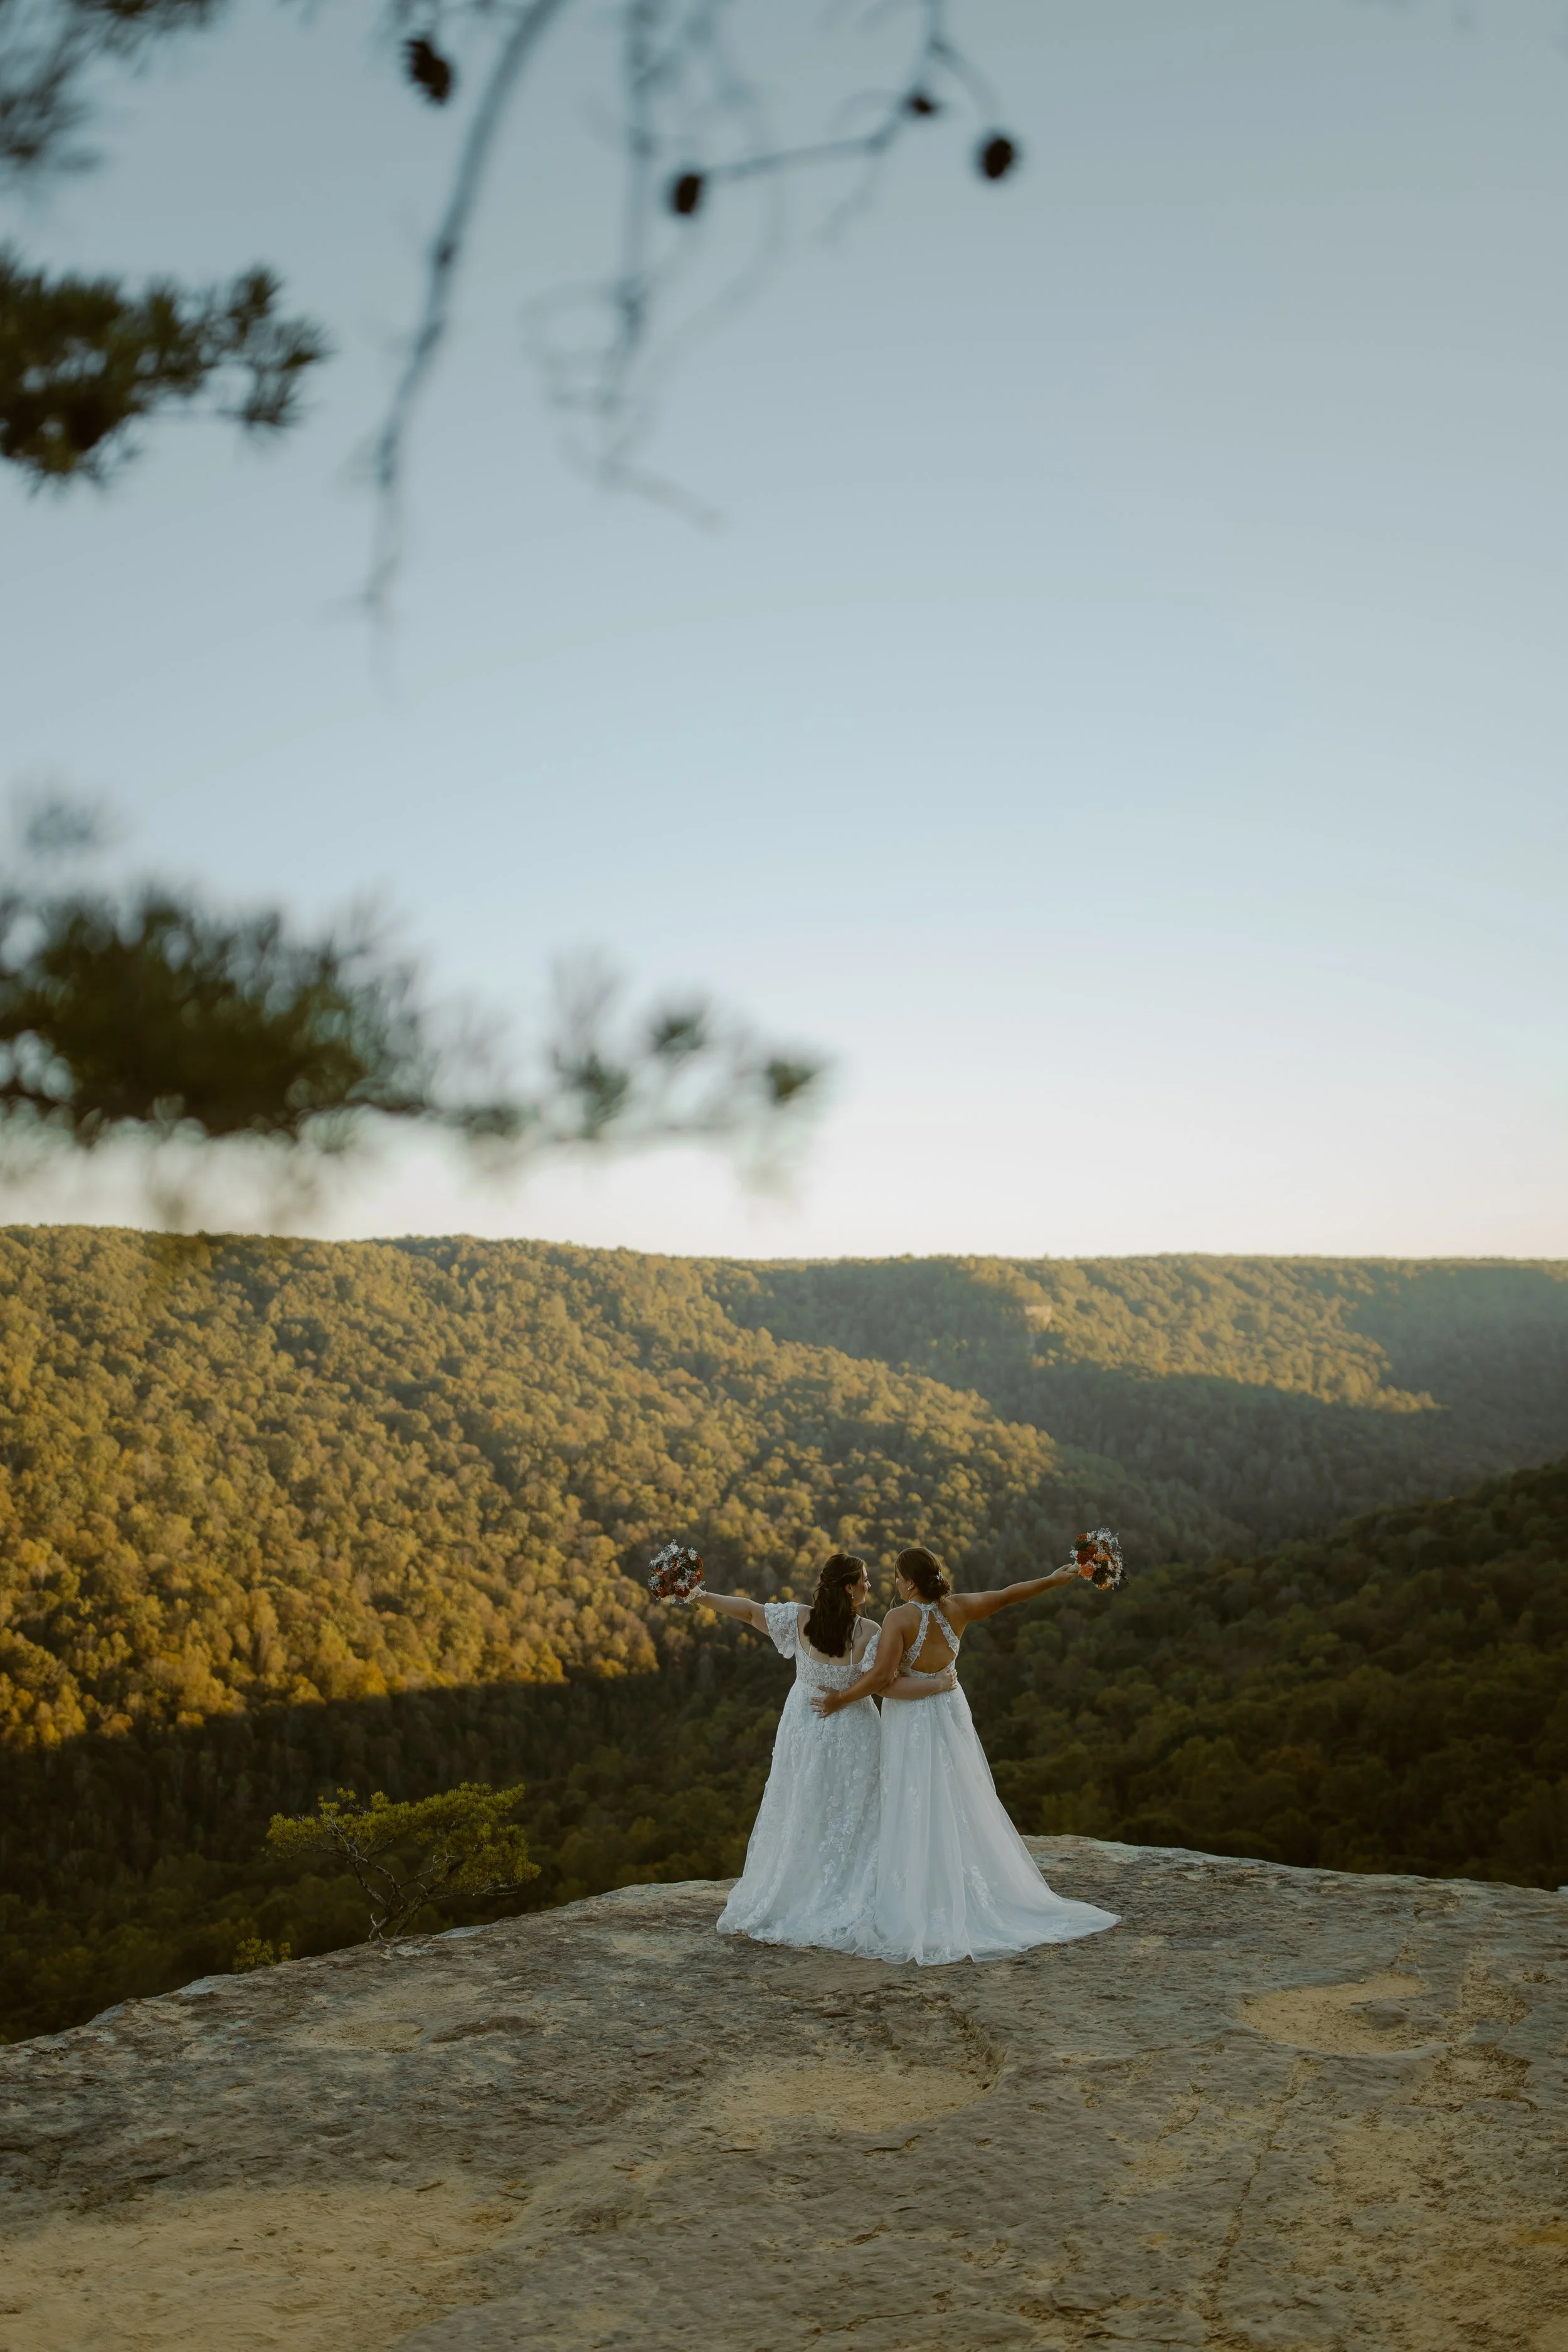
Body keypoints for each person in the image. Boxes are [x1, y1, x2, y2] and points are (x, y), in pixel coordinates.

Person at [812, 1544, 1120, 1964]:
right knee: (958, 1794)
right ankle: (963, 1881)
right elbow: (1009, 1595)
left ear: (913, 1582)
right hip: (950, 1710)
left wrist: (841, 1699)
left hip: (914, 1720)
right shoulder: (957, 1608)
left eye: (900, 1577)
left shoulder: (898, 1618)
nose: (895, 1584)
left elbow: (883, 1677)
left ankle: (924, 1894)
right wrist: (1052, 1579)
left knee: (916, 1797)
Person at [704, 1550, 956, 1955]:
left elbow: (749, 1612)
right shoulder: (871, 1632)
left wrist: (699, 1596)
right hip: (855, 1728)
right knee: (857, 1812)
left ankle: (802, 1886)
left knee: (804, 1805)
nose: (870, 1586)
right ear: (848, 1588)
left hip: (805, 1726)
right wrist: (938, 1684)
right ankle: (855, 1890)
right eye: (864, 1580)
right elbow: (886, 1684)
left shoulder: (803, 1620)